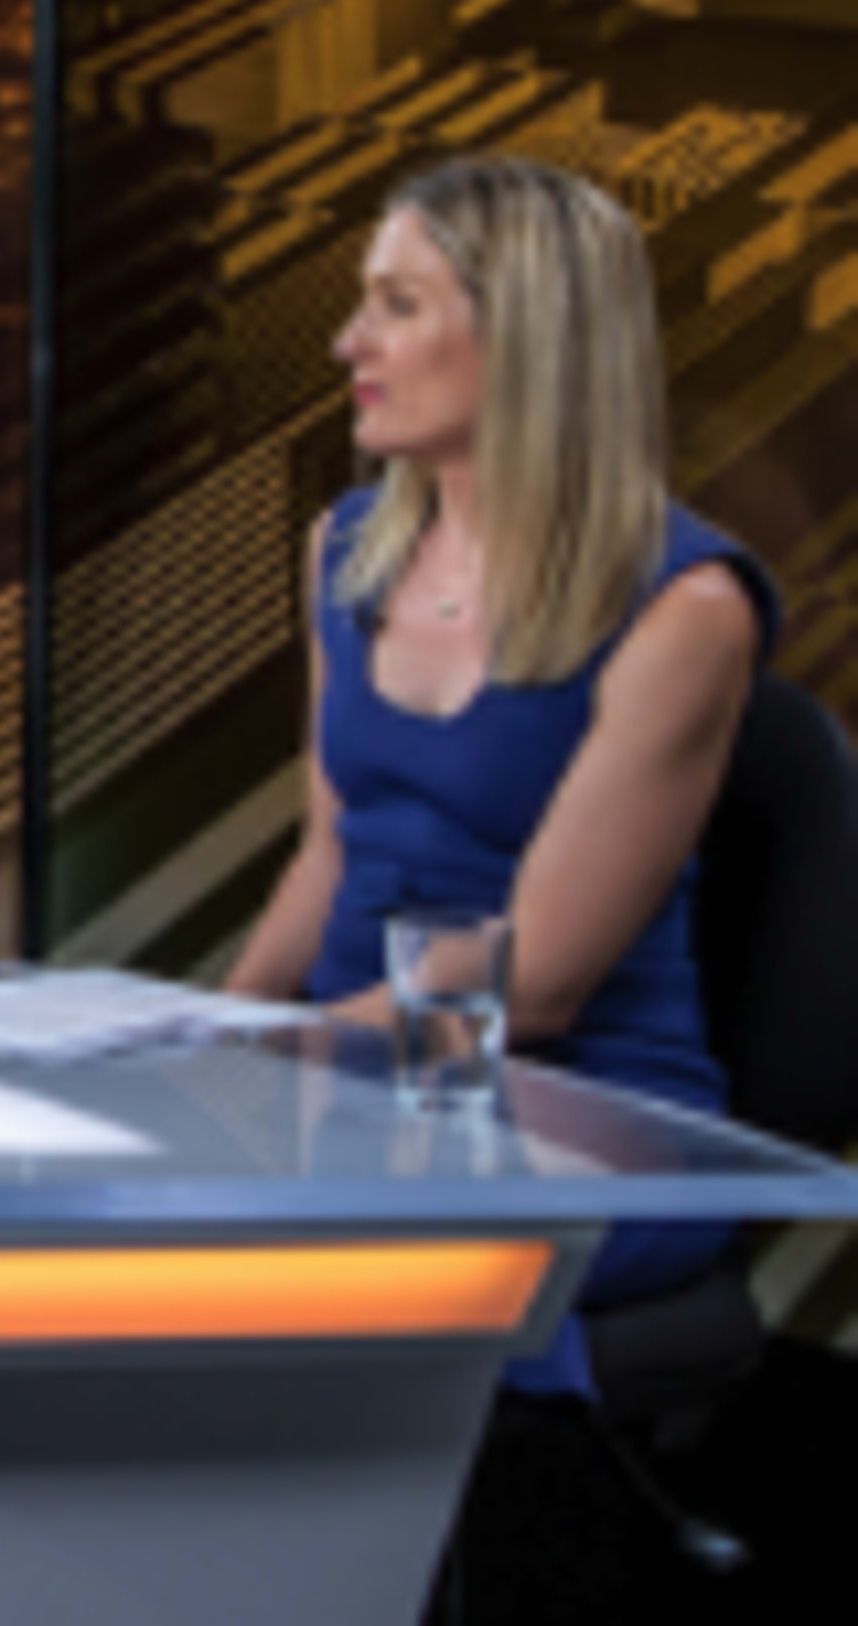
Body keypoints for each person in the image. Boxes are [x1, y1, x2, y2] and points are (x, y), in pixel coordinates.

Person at [226, 155, 769, 1394]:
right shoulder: (348, 547)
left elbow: (540, 984)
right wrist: (205, 1036)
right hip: (345, 1089)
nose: (345, 339)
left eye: (398, 305)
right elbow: (330, 851)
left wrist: (272, 1056)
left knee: (314, 1277)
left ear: (527, 337)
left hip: (567, 1107)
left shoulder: (685, 607)